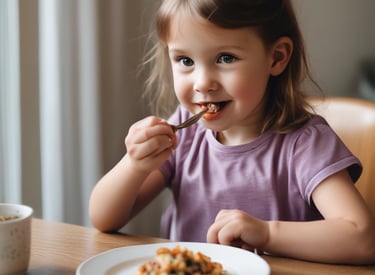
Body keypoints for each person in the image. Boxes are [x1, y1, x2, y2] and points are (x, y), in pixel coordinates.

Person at [89, 0, 375, 264]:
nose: (202, 83)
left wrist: (267, 234)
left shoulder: (305, 145)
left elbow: (363, 239)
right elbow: (103, 219)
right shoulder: (183, 134)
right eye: (185, 61)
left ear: (276, 58)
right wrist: (133, 165)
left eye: (225, 58)